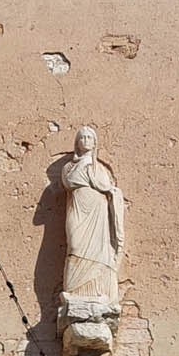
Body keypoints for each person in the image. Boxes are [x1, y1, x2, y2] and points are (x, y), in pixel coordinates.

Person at [60, 126, 125, 305]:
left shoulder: (99, 170)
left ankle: (97, 292)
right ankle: (73, 291)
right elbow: (69, 181)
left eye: (90, 137)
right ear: (77, 142)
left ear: (95, 142)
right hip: (78, 211)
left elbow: (107, 188)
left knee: (98, 251)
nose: (86, 140)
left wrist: (113, 195)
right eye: (83, 137)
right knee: (75, 246)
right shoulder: (68, 167)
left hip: (98, 213)